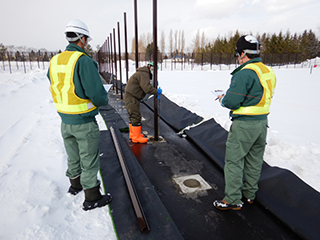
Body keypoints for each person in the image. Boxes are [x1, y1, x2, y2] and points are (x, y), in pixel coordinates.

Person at [47, 19, 112, 211]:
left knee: (73, 155)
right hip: (84, 121)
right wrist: (102, 98)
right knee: (89, 158)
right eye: (87, 40)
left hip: (65, 120)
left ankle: (75, 185)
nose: (87, 43)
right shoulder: (83, 61)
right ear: (82, 38)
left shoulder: (55, 60)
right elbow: (97, 95)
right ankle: (92, 197)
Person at [213, 35, 277, 210]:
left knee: (234, 161)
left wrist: (223, 99)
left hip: (245, 126)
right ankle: (249, 194)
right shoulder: (267, 71)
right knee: (254, 161)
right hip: (262, 124)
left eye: (238, 55)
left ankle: (232, 200)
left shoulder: (244, 73)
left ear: (242, 53)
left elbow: (233, 102)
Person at [124, 62, 162, 143]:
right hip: (132, 97)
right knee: (136, 116)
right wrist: (156, 91)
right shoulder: (144, 74)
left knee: (133, 115)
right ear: (151, 68)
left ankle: (133, 134)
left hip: (132, 96)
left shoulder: (143, 73)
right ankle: (136, 137)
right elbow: (147, 88)